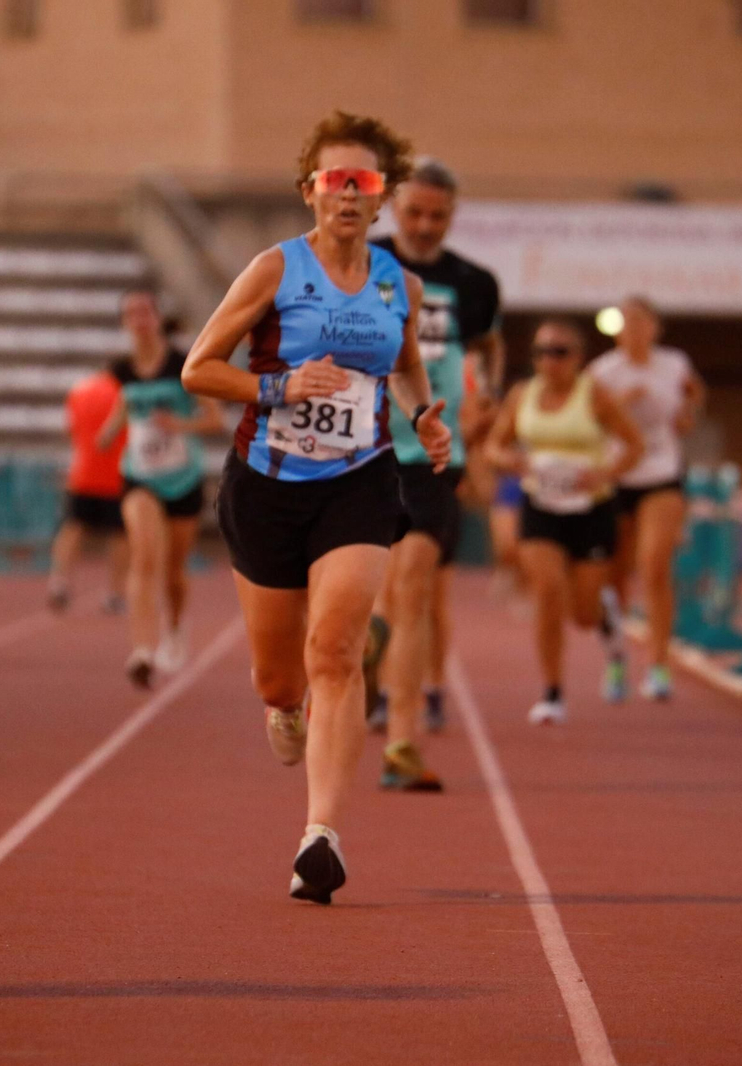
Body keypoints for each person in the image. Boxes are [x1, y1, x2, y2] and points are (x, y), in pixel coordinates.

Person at [182, 111, 449, 904]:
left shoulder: (400, 284)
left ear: (382, 195)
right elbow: (199, 368)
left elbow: (405, 368)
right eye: (336, 180)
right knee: (279, 676)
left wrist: (424, 417)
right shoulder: (274, 270)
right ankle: (282, 708)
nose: (349, 194)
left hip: (359, 481)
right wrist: (281, 385)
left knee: (336, 651)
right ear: (310, 191)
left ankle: (320, 836)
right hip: (265, 484)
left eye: (364, 182)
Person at [364, 158, 502, 791]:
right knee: (381, 593)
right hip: (360, 447)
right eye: (414, 212)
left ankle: (401, 741)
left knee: (414, 583)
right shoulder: (361, 262)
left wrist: (488, 390)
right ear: (394, 207)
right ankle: (365, 649)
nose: (423, 225)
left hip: (433, 452)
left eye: (437, 216)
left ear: (452, 216)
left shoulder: (475, 283)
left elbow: (490, 346)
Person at [485, 319, 642, 726]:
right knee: (549, 592)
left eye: (559, 352)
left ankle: (605, 615)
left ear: (577, 358)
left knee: (583, 615)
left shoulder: (596, 395)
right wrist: (511, 460)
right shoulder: (522, 395)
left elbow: (634, 445)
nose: (549, 361)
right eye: (541, 352)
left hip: (591, 510)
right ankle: (552, 692)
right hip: (541, 506)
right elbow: (494, 446)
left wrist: (604, 474)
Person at [99, 291, 222, 687]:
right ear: (124, 323)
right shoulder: (121, 368)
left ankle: (175, 625)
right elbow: (124, 410)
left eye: (144, 311)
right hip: (140, 475)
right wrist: (106, 434)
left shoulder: (184, 363)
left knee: (173, 571)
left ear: (156, 317)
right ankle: (142, 650)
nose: (138, 319)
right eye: (130, 313)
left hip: (182, 477)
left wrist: (179, 425)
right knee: (144, 556)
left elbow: (214, 419)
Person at [589, 297, 706, 702]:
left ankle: (658, 665)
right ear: (618, 330)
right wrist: (620, 406)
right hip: (617, 472)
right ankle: (616, 659)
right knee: (614, 575)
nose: (636, 330)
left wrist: (688, 410)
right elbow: (586, 421)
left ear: (656, 328)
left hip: (661, 470)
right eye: (628, 322)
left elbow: (692, 402)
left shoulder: (675, 364)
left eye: (643, 322)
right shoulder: (603, 371)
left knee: (654, 565)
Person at [47, 366, 129, 615]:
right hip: (117, 473)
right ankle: (115, 593)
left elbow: (70, 430)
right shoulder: (126, 391)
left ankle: (59, 581)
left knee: (73, 527)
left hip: (83, 472)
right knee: (119, 534)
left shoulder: (79, 390)